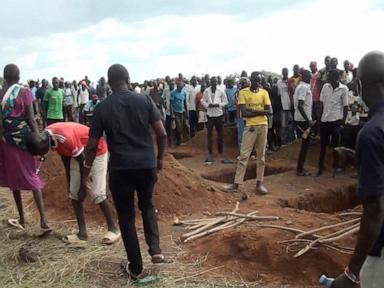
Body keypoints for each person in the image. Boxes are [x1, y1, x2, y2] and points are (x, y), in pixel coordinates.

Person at [81, 64, 169, 280]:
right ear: (128, 78)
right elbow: (162, 134)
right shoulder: (145, 100)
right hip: (146, 164)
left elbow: (92, 145)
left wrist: (86, 170)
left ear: (109, 83)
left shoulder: (102, 107)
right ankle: (155, 250)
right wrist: (159, 159)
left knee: (126, 217)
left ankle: (136, 266)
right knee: (147, 204)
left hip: (121, 168)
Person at [331, 51, 384, 288]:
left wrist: (352, 274)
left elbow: (375, 210)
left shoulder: (371, 133)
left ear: (361, 84)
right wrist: (357, 157)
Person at [26, 122, 120, 244]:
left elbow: (82, 160)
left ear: (44, 144)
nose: (41, 156)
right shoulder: (48, 137)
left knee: (97, 193)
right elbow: (65, 158)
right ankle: (82, 234)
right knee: (74, 194)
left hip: (96, 151)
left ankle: (114, 228)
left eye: (41, 152)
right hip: (79, 153)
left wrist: (83, 185)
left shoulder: (64, 138)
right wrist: (70, 181)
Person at [0, 64, 50, 234]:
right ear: (19, 77)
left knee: (13, 178)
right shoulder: (25, 92)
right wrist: (39, 142)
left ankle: (22, 218)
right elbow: (31, 119)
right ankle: (43, 220)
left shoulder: (1, 94)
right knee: (32, 175)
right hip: (25, 141)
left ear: (5, 77)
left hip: (6, 141)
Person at [225, 72, 272, 198]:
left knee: (261, 156)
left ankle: (259, 184)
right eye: (256, 81)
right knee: (244, 155)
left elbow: (270, 111)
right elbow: (244, 113)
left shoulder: (264, 92)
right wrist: (261, 112)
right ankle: (236, 184)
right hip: (250, 127)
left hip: (263, 126)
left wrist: (254, 111)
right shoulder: (243, 92)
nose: (258, 83)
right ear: (251, 80)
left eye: (260, 81)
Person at [317, 69, 349, 176]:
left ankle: (336, 167)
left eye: (329, 76)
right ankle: (320, 168)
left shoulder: (343, 89)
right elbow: (321, 104)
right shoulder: (325, 87)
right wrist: (318, 119)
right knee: (322, 146)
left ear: (335, 77)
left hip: (336, 121)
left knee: (336, 146)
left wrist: (343, 123)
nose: (327, 77)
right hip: (325, 120)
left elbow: (345, 107)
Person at [201, 76, 228, 164]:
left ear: (217, 82)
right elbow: (202, 101)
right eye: (212, 81)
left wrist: (218, 104)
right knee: (209, 134)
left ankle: (220, 151)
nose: (214, 83)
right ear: (210, 82)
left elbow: (225, 102)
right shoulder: (206, 90)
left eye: (215, 82)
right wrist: (208, 105)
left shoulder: (221, 90)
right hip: (210, 115)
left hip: (218, 114)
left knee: (220, 134)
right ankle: (210, 152)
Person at [294, 70, 314, 176]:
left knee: (304, 145)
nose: (311, 78)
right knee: (305, 145)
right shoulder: (304, 87)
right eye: (309, 77)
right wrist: (308, 120)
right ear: (305, 77)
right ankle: (299, 169)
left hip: (301, 119)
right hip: (303, 121)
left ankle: (300, 168)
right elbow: (300, 105)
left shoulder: (301, 86)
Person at [277, 68, 294, 145]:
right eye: (284, 72)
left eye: (286, 72)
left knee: (290, 125)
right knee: (283, 125)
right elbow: (278, 94)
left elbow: (293, 92)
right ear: (282, 73)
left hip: (290, 106)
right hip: (283, 107)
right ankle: (283, 142)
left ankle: (290, 142)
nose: (285, 74)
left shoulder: (291, 81)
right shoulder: (279, 82)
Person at [170, 80, 188, 146]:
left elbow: (185, 103)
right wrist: (172, 114)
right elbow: (171, 104)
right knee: (178, 126)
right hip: (176, 112)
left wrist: (187, 112)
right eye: (179, 87)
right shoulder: (173, 93)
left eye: (181, 87)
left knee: (182, 126)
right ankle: (178, 141)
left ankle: (179, 141)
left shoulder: (184, 93)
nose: (180, 88)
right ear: (177, 87)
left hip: (182, 111)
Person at [310, 61, 321, 137]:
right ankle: (314, 132)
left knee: (318, 116)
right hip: (311, 99)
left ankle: (318, 133)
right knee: (312, 117)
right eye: (311, 66)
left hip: (318, 99)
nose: (311, 68)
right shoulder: (309, 75)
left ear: (315, 66)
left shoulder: (319, 75)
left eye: (312, 66)